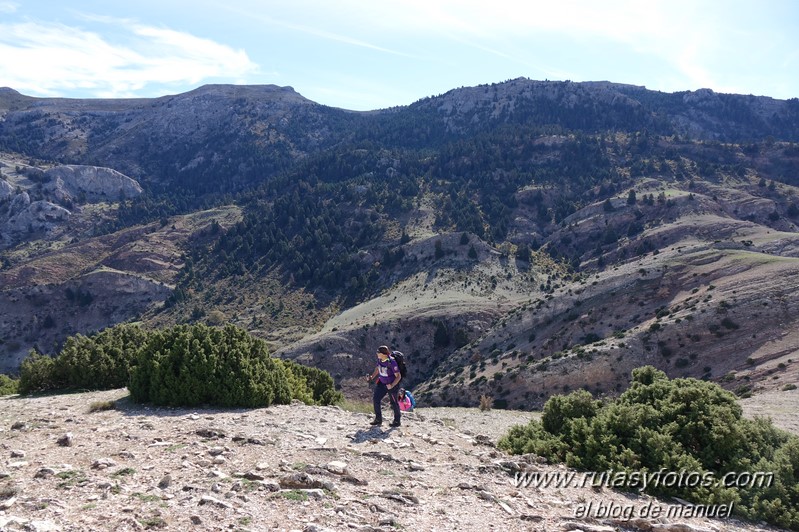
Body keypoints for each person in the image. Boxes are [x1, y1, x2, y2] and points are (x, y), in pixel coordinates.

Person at [366, 345, 402, 427]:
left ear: (383, 354)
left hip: (391, 385)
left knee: (394, 402)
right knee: (376, 399)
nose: (377, 354)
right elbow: (377, 368)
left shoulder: (392, 362)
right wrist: (372, 377)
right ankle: (378, 419)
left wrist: (392, 385)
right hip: (382, 383)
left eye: (378, 352)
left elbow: (398, 376)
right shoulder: (380, 360)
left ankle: (397, 421)